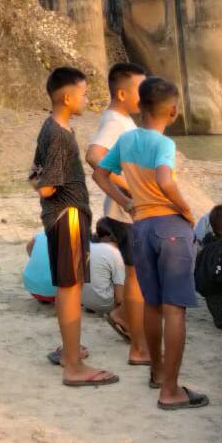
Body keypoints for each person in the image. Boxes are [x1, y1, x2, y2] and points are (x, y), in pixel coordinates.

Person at [94, 76, 205, 409]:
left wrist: (127, 202)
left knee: (152, 304)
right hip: (169, 226)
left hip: (140, 226)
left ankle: (156, 371)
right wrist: (186, 209)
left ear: (140, 106)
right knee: (175, 310)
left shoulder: (127, 140)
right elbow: (165, 179)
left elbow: (100, 173)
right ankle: (170, 390)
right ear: (173, 112)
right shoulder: (164, 144)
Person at [32, 66, 116, 387]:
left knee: (71, 287)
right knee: (70, 289)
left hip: (65, 216)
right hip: (67, 216)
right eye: (83, 93)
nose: (87, 98)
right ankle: (72, 365)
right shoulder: (57, 134)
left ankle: (69, 349)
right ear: (67, 98)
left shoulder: (54, 128)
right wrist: (52, 193)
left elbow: (34, 174)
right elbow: (45, 185)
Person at [85, 61, 149, 365]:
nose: (146, 95)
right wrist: (130, 187)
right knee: (137, 279)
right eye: (141, 90)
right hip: (125, 216)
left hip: (124, 214)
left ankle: (125, 318)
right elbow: (94, 155)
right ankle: (138, 344)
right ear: (122, 93)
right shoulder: (115, 121)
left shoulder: (121, 119)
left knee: (139, 277)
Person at [82, 221, 128, 325]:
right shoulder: (115, 254)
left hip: (84, 301)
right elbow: (120, 298)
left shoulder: (88, 247)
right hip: (104, 304)